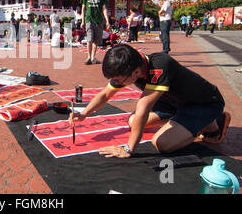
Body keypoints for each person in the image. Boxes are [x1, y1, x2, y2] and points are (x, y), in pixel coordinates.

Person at [69, 44, 231, 158]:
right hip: (173, 101)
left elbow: (144, 106)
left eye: (118, 80)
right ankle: (186, 122)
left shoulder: (160, 65)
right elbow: (105, 94)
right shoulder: (131, 66)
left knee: (162, 144)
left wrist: (128, 148)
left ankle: (213, 123)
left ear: (136, 71)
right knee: (134, 122)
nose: (116, 83)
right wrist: (83, 113)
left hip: (202, 102)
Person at [81, 0, 110, 65]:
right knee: (89, 39)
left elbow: (104, 9)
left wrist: (107, 21)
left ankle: (93, 57)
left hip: (99, 21)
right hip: (89, 20)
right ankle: (89, 57)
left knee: (96, 41)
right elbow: (83, 9)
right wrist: (83, 21)